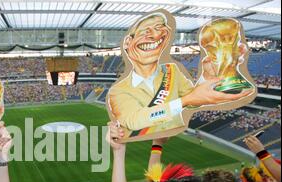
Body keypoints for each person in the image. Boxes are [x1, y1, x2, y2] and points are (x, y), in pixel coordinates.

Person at [107, 12, 252, 139]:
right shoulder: (118, 91)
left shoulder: (172, 70)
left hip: (175, 138)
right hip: (144, 144)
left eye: (159, 28)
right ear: (127, 42)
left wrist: (207, 77)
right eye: (145, 31)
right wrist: (183, 101)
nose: (155, 35)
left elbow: (195, 100)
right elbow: (135, 121)